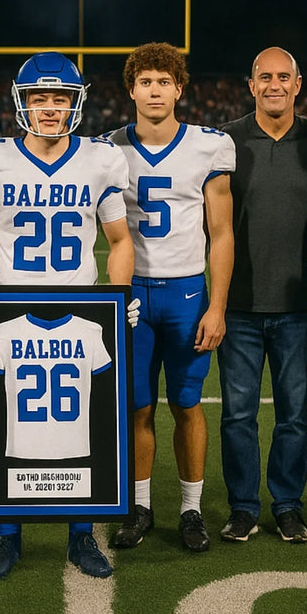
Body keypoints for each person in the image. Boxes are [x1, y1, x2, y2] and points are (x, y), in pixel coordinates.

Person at [0, 51, 137, 581]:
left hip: (81, 303)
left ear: (75, 104)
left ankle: (82, 535)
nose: (50, 109)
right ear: (23, 103)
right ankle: (8, 536)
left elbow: (120, 240)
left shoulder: (100, 160)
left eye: (60, 99)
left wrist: (118, 295)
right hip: (12, 305)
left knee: (83, 417)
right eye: (40, 99)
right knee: (10, 418)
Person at [107, 42, 234, 552]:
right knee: (137, 408)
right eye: (145, 81)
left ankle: (190, 510)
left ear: (179, 88)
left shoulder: (209, 145)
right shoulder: (106, 147)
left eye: (164, 81)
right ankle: (139, 507)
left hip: (186, 292)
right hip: (132, 294)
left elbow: (221, 233)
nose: (154, 90)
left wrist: (217, 304)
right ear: (131, 90)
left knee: (186, 404)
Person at [217, 47, 307, 543]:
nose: (275, 84)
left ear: (298, 84)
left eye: (284, 76)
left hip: (300, 306)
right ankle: (242, 506)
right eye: (266, 76)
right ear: (251, 83)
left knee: (294, 417)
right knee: (237, 414)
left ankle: (286, 505)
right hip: (237, 305)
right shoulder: (226, 142)